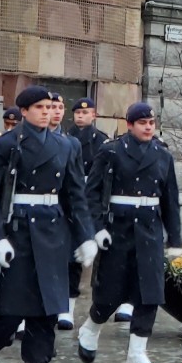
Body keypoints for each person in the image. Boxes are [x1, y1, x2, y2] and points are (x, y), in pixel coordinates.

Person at [0, 86, 96, 363]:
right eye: (38, 106)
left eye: (50, 106)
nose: (45, 111)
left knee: (45, 315)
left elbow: (75, 194)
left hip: (53, 233)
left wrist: (85, 236)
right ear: (23, 112)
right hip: (19, 233)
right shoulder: (6, 144)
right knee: (11, 311)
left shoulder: (67, 146)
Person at [76, 102, 182, 363]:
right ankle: (91, 327)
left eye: (151, 123)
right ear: (130, 124)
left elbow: (171, 201)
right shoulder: (111, 151)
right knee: (110, 291)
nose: (148, 127)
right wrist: (97, 228)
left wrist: (176, 241)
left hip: (149, 230)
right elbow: (92, 192)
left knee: (149, 293)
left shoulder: (162, 155)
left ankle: (137, 353)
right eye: (142, 122)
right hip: (118, 229)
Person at [62, 98, 110, 329]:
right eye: (78, 113)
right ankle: (66, 306)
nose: (81, 117)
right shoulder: (65, 139)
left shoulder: (101, 141)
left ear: (94, 115)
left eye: (86, 113)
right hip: (68, 198)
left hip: (91, 199)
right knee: (69, 253)